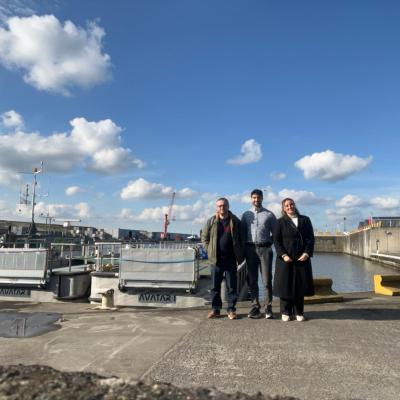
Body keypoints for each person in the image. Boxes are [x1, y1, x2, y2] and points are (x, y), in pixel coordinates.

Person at [201, 197, 244, 320]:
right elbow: (204, 237)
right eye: (219, 206)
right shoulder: (212, 221)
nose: (222, 207)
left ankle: (231, 310)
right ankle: (216, 309)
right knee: (215, 286)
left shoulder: (235, 221)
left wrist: (240, 253)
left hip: (230, 259)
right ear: (216, 207)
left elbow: (241, 237)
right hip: (216, 259)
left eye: (224, 205)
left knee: (232, 286)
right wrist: (208, 249)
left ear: (228, 206)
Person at [273, 198, 315, 322]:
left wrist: (307, 253)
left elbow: (310, 238)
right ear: (283, 208)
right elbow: (276, 240)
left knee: (299, 285)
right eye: (286, 205)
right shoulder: (279, 222)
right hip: (285, 258)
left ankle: (299, 312)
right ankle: (286, 311)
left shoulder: (305, 220)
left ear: (294, 205)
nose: (289, 207)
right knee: (285, 284)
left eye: (291, 204)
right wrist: (283, 255)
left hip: (301, 257)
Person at [241, 189, 277, 319]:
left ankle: (268, 307)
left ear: (262, 198)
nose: (256, 200)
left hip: (265, 249)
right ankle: (255, 307)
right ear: (251, 199)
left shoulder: (269, 215)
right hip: (250, 249)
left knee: (267, 280)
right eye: (254, 197)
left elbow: (276, 233)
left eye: (259, 197)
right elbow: (242, 233)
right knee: (252, 280)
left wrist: (268, 244)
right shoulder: (245, 215)